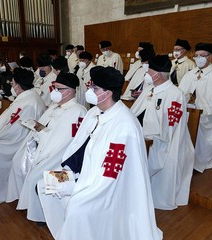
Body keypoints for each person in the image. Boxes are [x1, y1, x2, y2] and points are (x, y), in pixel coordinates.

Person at [38, 66, 162, 240]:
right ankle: (66, 232)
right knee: (44, 184)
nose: (89, 91)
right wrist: (67, 170)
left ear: (108, 93)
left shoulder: (125, 125)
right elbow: (79, 146)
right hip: (81, 174)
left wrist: (84, 190)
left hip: (104, 186)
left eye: (94, 88)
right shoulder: (94, 112)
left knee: (77, 207)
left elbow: (111, 174)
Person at [10, 72, 87, 223]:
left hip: (58, 157)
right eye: (54, 88)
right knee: (17, 162)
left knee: (34, 178)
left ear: (70, 91)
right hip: (44, 147)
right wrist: (37, 128)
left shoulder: (77, 111)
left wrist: (42, 135)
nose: (54, 92)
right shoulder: (54, 107)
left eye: (58, 89)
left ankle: (40, 215)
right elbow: (48, 129)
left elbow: (65, 141)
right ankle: (28, 203)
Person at [131, 55, 195, 210]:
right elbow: (135, 113)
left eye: (149, 70)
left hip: (163, 142)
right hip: (142, 137)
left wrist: (148, 134)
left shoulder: (175, 94)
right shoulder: (150, 89)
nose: (146, 73)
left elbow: (171, 127)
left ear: (157, 74)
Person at [0, 68, 46, 206]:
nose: (12, 86)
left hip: (20, 142)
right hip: (17, 136)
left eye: (13, 83)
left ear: (18, 85)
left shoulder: (29, 101)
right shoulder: (28, 97)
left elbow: (14, 127)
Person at [179, 43, 212, 173]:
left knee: (204, 135)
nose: (199, 58)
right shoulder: (190, 74)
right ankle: (187, 161)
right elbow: (180, 93)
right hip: (189, 112)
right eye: (197, 56)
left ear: (210, 57)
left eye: (202, 56)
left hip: (206, 115)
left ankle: (202, 160)